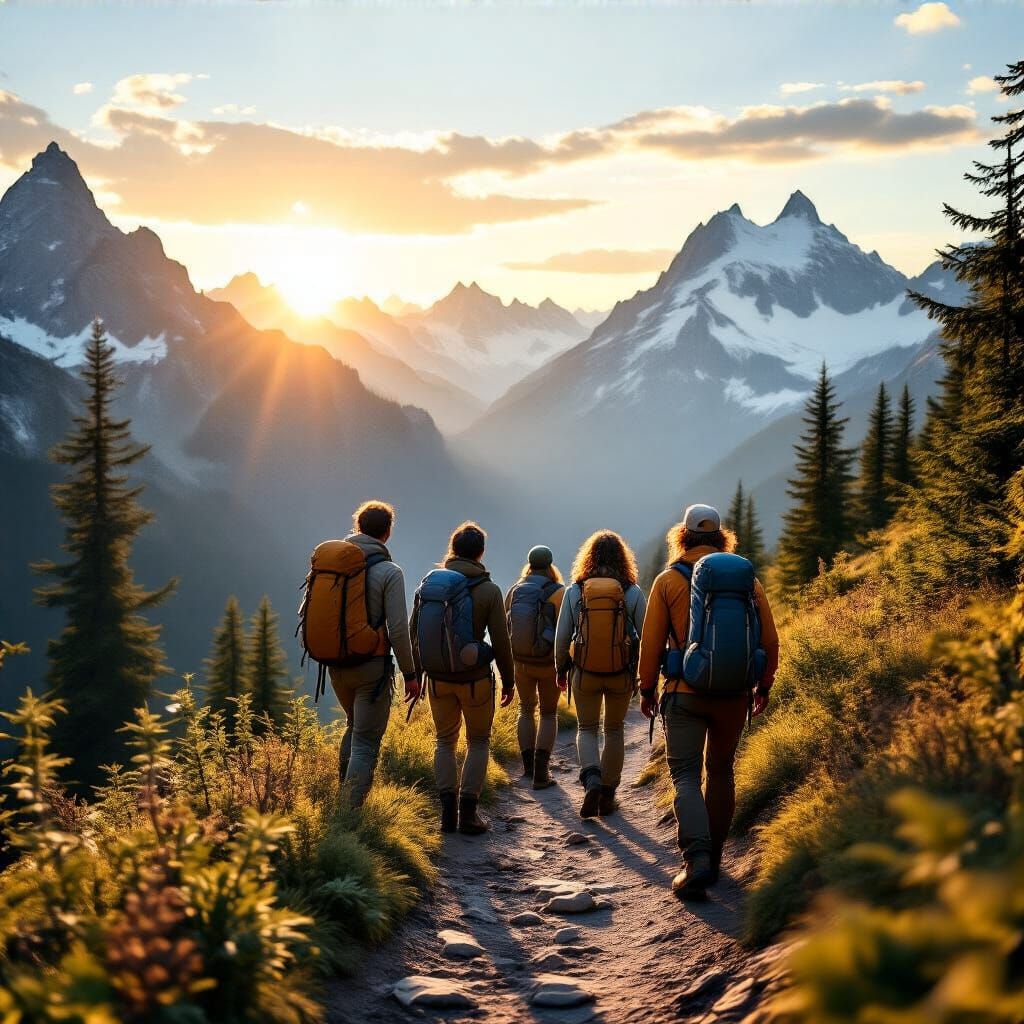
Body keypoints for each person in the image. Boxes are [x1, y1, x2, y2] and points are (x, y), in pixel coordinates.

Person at [638, 503, 779, 900]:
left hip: (684, 694)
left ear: (682, 535)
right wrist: (763, 686)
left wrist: (647, 688)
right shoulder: (746, 582)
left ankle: (695, 860)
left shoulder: (667, 581)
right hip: (734, 695)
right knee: (721, 771)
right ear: (721, 537)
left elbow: (651, 644)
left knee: (684, 775)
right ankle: (714, 861)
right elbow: (769, 640)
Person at [411, 521, 515, 835]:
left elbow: (415, 635)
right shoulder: (489, 590)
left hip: (438, 679)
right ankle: (468, 814)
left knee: (444, 741)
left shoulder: (430, 586)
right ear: (481, 552)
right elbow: (501, 640)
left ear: (453, 550)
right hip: (475, 681)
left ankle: (447, 814)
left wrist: (415, 675)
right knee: (478, 741)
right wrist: (509, 682)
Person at [328, 500, 420, 808]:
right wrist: (410, 673)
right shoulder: (389, 572)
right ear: (388, 532)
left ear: (357, 527)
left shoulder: (334, 565)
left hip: (336, 664)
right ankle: (349, 815)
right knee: (366, 742)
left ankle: (341, 802)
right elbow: (397, 630)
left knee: (353, 727)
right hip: (371, 668)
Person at [555, 530, 647, 818]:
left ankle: (591, 778)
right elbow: (647, 635)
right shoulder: (631, 592)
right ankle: (608, 795)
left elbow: (561, 637)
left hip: (584, 673)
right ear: (623, 559)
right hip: (621, 672)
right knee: (614, 730)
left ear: (588, 557)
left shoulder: (575, 591)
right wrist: (644, 675)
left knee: (587, 728)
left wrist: (560, 668)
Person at [504, 546, 565, 790]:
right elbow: (564, 633)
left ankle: (528, 768)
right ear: (551, 565)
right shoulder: (559, 592)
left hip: (521, 663)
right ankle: (542, 772)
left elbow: (505, 624)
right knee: (549, 713)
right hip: (549, 664)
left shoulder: (515, 590)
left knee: (526, 710)